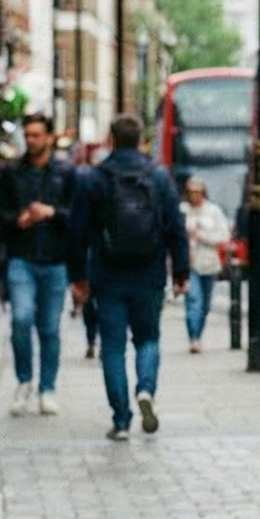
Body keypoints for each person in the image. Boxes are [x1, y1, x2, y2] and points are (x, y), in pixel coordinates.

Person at [69, 115, 189, 441]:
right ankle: (146, 388)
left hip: (108, 274)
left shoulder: (94, 178)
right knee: (148, 338)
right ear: (140, 140)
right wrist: (181, 271)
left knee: (112, 346)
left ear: (111, 139)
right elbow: (176, 227)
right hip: (149, 273)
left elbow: (77, 232)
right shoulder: (158, 177)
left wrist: (77, 277)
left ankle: (121, 420)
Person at [0, 113, 76, 416]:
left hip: (55, 260)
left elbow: (78, 215)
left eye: (37, 135)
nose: (31, 140)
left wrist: (52, 213)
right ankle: (24, 380)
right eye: (27, 135)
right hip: (21, 257)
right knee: (21, 318)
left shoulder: (66, 173)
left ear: (50, 137)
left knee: (50, 328)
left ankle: (47, 388)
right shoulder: (11, 173)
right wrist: (18, 220)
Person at [179, 178, 233, 352]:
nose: (194, 196)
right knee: (194, 300)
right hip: (188, 263)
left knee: (205, 304)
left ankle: (198, 335)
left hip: (209, 263)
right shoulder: (182, 210)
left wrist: (204, 237)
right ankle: (193, 338)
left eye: (198, 192)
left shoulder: (213, 211)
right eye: (191, 192)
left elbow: (224, 236)